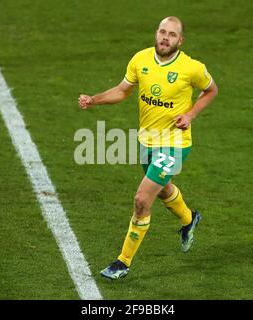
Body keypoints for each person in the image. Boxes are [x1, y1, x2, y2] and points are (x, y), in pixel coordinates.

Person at [78, 16, 218, 280]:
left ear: (180, 40)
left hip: (175, 145)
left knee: (142, 199)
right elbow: (122, 91)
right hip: (146, 141)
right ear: (156, 33)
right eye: (162, 32)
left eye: (172, 34)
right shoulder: (140, 59)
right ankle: (189, 219)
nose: (166, 38)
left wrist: (190, 115)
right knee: (163, 190)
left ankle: (123, 262)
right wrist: (93, 100)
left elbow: (211, 90)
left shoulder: (192, 68)